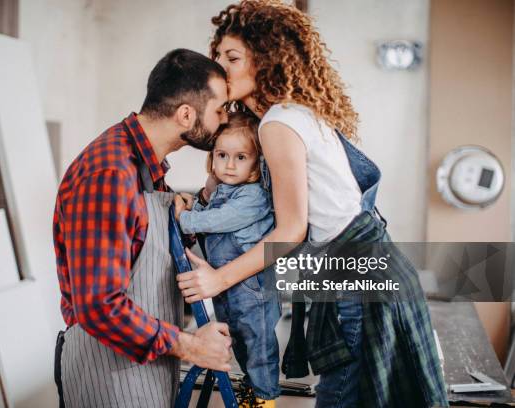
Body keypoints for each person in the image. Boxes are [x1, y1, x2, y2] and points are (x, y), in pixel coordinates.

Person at [175, 1, 449, 407]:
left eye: (231, 57)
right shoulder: (292, 114)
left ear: (266, 59)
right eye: (217, 56)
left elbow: (290, 231)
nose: (219, 67)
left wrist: (219, 279)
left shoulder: (278, 124)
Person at [52, 48, 233, 408]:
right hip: (106, 374)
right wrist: (191, 346)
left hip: (141, 368)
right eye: (220, 109)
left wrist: (181, 219)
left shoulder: (145, 166)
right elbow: (100, 306)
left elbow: (139, 244)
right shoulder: (110, 174)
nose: (226, 118)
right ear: (186, 114)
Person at [175, 112, 281, 407]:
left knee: (258, 341)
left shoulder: (254, 196)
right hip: (227, 283)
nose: (230, 164)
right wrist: (199, 198)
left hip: (252, 286)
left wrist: (186, 219)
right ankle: (252, 384)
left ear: (256, 163)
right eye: (222, 155)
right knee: (239, 337)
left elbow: (219, 220)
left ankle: (265, 397)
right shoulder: (224, 190)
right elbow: (209, 206)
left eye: (240, 157)